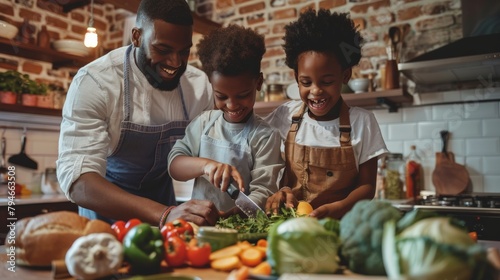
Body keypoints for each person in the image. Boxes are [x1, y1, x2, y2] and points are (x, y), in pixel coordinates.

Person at [56, 0, 220, 227]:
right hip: (105, 217)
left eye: (184, 52)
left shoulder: (199, 86)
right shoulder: (95, 82)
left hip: (169, 216)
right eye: (162, 50)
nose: (175, 63)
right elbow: (79, 182)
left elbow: (211, 155)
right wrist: (163, 214)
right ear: (136, 37)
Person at [264, 8, 389, 219]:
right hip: (290, 225)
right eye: (306, 82)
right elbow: (263, 157)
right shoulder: (285, 115)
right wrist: (280, 190)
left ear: (345, 75)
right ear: (296, 77)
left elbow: (367, 186)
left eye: (327, 81)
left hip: (341, 224)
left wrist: (338, 208)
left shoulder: (363, 122)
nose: (315, 91)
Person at [168, 25, 284, 214]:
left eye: (242, 95)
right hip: (199, 224)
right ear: (212, 86)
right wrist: (206, 166)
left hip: (239, 229)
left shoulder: (265, 136)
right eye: (221, 96)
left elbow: (264, 192)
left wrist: (225, 218)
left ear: (259, 83)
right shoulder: (204, 123)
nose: (231, 105)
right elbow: (175, 165)